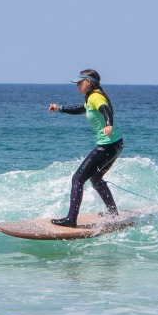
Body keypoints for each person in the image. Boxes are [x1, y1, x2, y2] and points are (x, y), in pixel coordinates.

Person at [47, 69, 124, 227]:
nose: (77, 85)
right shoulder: (91, 98)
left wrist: (108, 124)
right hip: (116, 144)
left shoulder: (96, 97)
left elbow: (106, 110)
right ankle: (112, 212)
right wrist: (60, 108)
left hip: (107, 146)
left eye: (79, 82)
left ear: (88, 82)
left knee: (78, 179)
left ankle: (71, 219)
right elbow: (81, 109)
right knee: (95, 178)